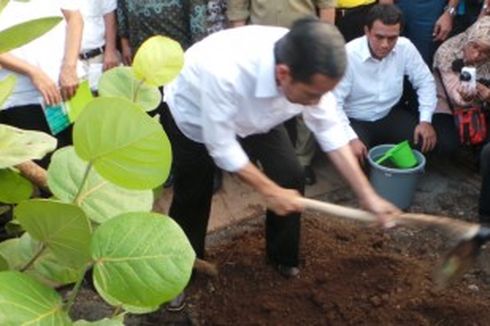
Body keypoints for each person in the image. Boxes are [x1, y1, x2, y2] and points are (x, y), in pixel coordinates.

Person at [163, 17, 399, 310]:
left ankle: (282, 257)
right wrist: (268, 191)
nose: (316, 103)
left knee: (290, 175)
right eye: (312, 95)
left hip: (260, 115)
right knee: (193, 196)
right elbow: (222, 147)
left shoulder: (312, 66)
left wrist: (367, 195)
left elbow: (329, 129)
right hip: (195, 118)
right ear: (283, 73)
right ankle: (178, 274)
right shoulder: (225, 71)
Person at [227, 0, 336, 186]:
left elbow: (326, 6)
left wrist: (323, 44)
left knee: (307, 104)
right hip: (259, 46)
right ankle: (254, 159)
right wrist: (241, 41)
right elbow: (238, 7)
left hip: (303, 41)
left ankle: (302, 160)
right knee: (256, 102)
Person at [333, 4, 458, 165]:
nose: (385, 44)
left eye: (392, 38)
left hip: (389, 114)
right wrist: (350, 138)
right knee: (354, 161)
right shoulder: (347, 55)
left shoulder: (405, 46)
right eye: (379, 37)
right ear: (366, 31)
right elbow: (334, 103)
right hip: (354, 119)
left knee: (430, 143)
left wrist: (425, 120)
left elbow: (425, 81)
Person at [0, 0, 83, 168]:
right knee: (49, 168)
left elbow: (75, 17)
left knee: (85, 153)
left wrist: (69, 67)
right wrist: (33, 72)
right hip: (21, 97)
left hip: (69, 86)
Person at [432, 17, 490, 222]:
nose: (476, 55)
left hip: (481, 108)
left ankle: (480, 155)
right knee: (448, 144)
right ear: (468, 39)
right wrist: (475, 94)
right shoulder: (448, 51)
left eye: (484, 52)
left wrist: (487, 95)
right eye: (474, 47)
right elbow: (458, 97)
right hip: (447, 106)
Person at [79, 0, 119, 92]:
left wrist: (110, 51)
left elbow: (109, 15)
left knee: (105, 102)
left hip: (99, 56)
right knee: (78, 104)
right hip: (71, 63)